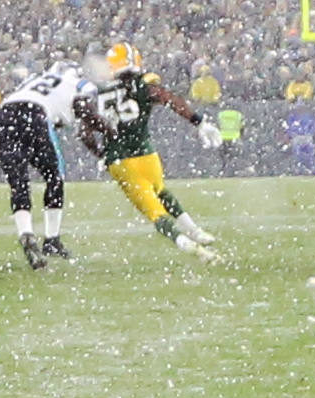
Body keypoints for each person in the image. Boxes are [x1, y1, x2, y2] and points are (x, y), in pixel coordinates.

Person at [76, 46, 221, 254]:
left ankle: (191, 246)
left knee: (154, 212)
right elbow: (168, 99)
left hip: (119, 159)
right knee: (161, 191)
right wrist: (198, 122)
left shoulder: (99, 91)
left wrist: (100, 153)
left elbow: (84, 133)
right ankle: (194, 231)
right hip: (145, 152)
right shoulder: (143, 82)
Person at [0, 62, 73, 270]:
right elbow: (66, 118)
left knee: (19, 181)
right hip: (33, 114)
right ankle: (51, 239)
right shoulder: (73, 83)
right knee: (54, 175)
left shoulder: (33, 79)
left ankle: (25, 233)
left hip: (3, 116)